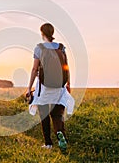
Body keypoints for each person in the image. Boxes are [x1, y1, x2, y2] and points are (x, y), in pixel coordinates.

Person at [27, 23, 70, 151]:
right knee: (57, 114)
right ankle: (59, 133)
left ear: (42, 33)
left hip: (44, 87)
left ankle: (48, 143)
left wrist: (29, 88)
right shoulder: (61, 48)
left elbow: (35, 69)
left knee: (44, 114)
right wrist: (68, 84)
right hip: (59, 86)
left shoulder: (39, 48)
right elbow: (66, 68)